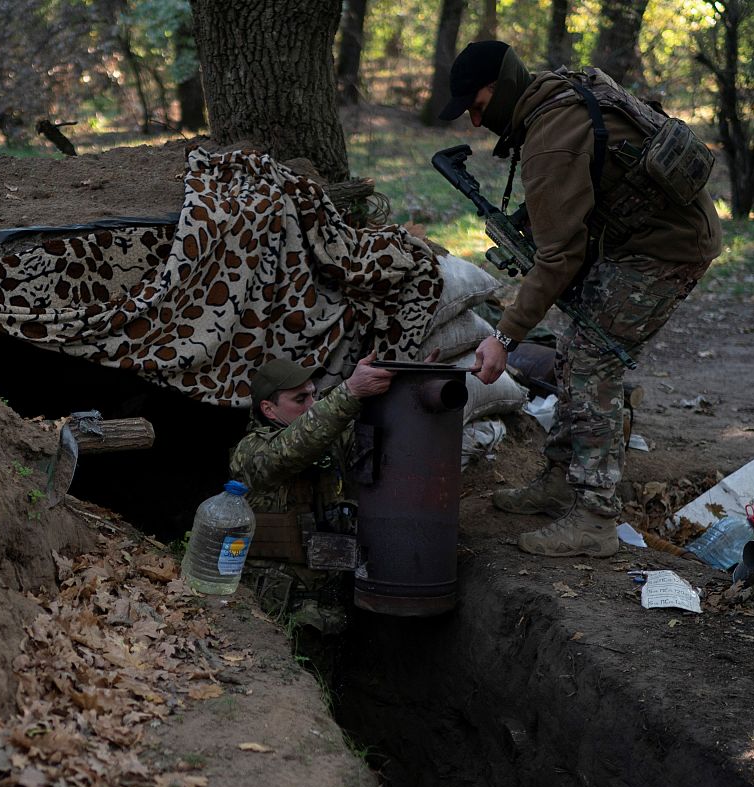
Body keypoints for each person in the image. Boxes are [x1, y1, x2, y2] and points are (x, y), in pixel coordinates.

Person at [439, 40, 722, 558]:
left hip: (665, 248)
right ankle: (561, 480)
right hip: (641, 238)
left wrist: (504, 336)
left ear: (498, 89)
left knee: (592, 362)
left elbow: (558, 258)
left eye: (477, 107)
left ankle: (594, 517)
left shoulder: (550, 138)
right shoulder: (557, 91)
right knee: (575, 350)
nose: (477, 124)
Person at [229, 353, 393, 633]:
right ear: (269, 410)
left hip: (329, 599)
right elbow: (293, 449)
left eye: (313, 395)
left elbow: (374, 441)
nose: (312, 404)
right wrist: (349, 391)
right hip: (273, 606)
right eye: (299, 399)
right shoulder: (250, 451)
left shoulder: (329, 440)